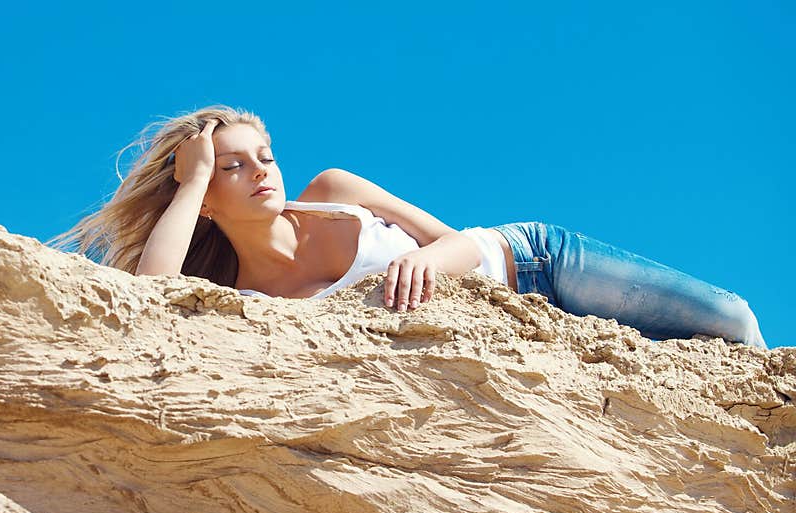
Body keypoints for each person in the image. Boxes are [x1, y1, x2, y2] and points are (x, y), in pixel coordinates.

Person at [46, 104, 768, 350]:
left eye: (265, 155)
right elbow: (151, 293)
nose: (264, 171)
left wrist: (427, 265)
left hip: (531, 262)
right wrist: (193, 173)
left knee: (732, 322)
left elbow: (455, 233)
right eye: (234, 168)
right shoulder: (242, 298)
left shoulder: (331, 192)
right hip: (521, 342)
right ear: (205, 197)